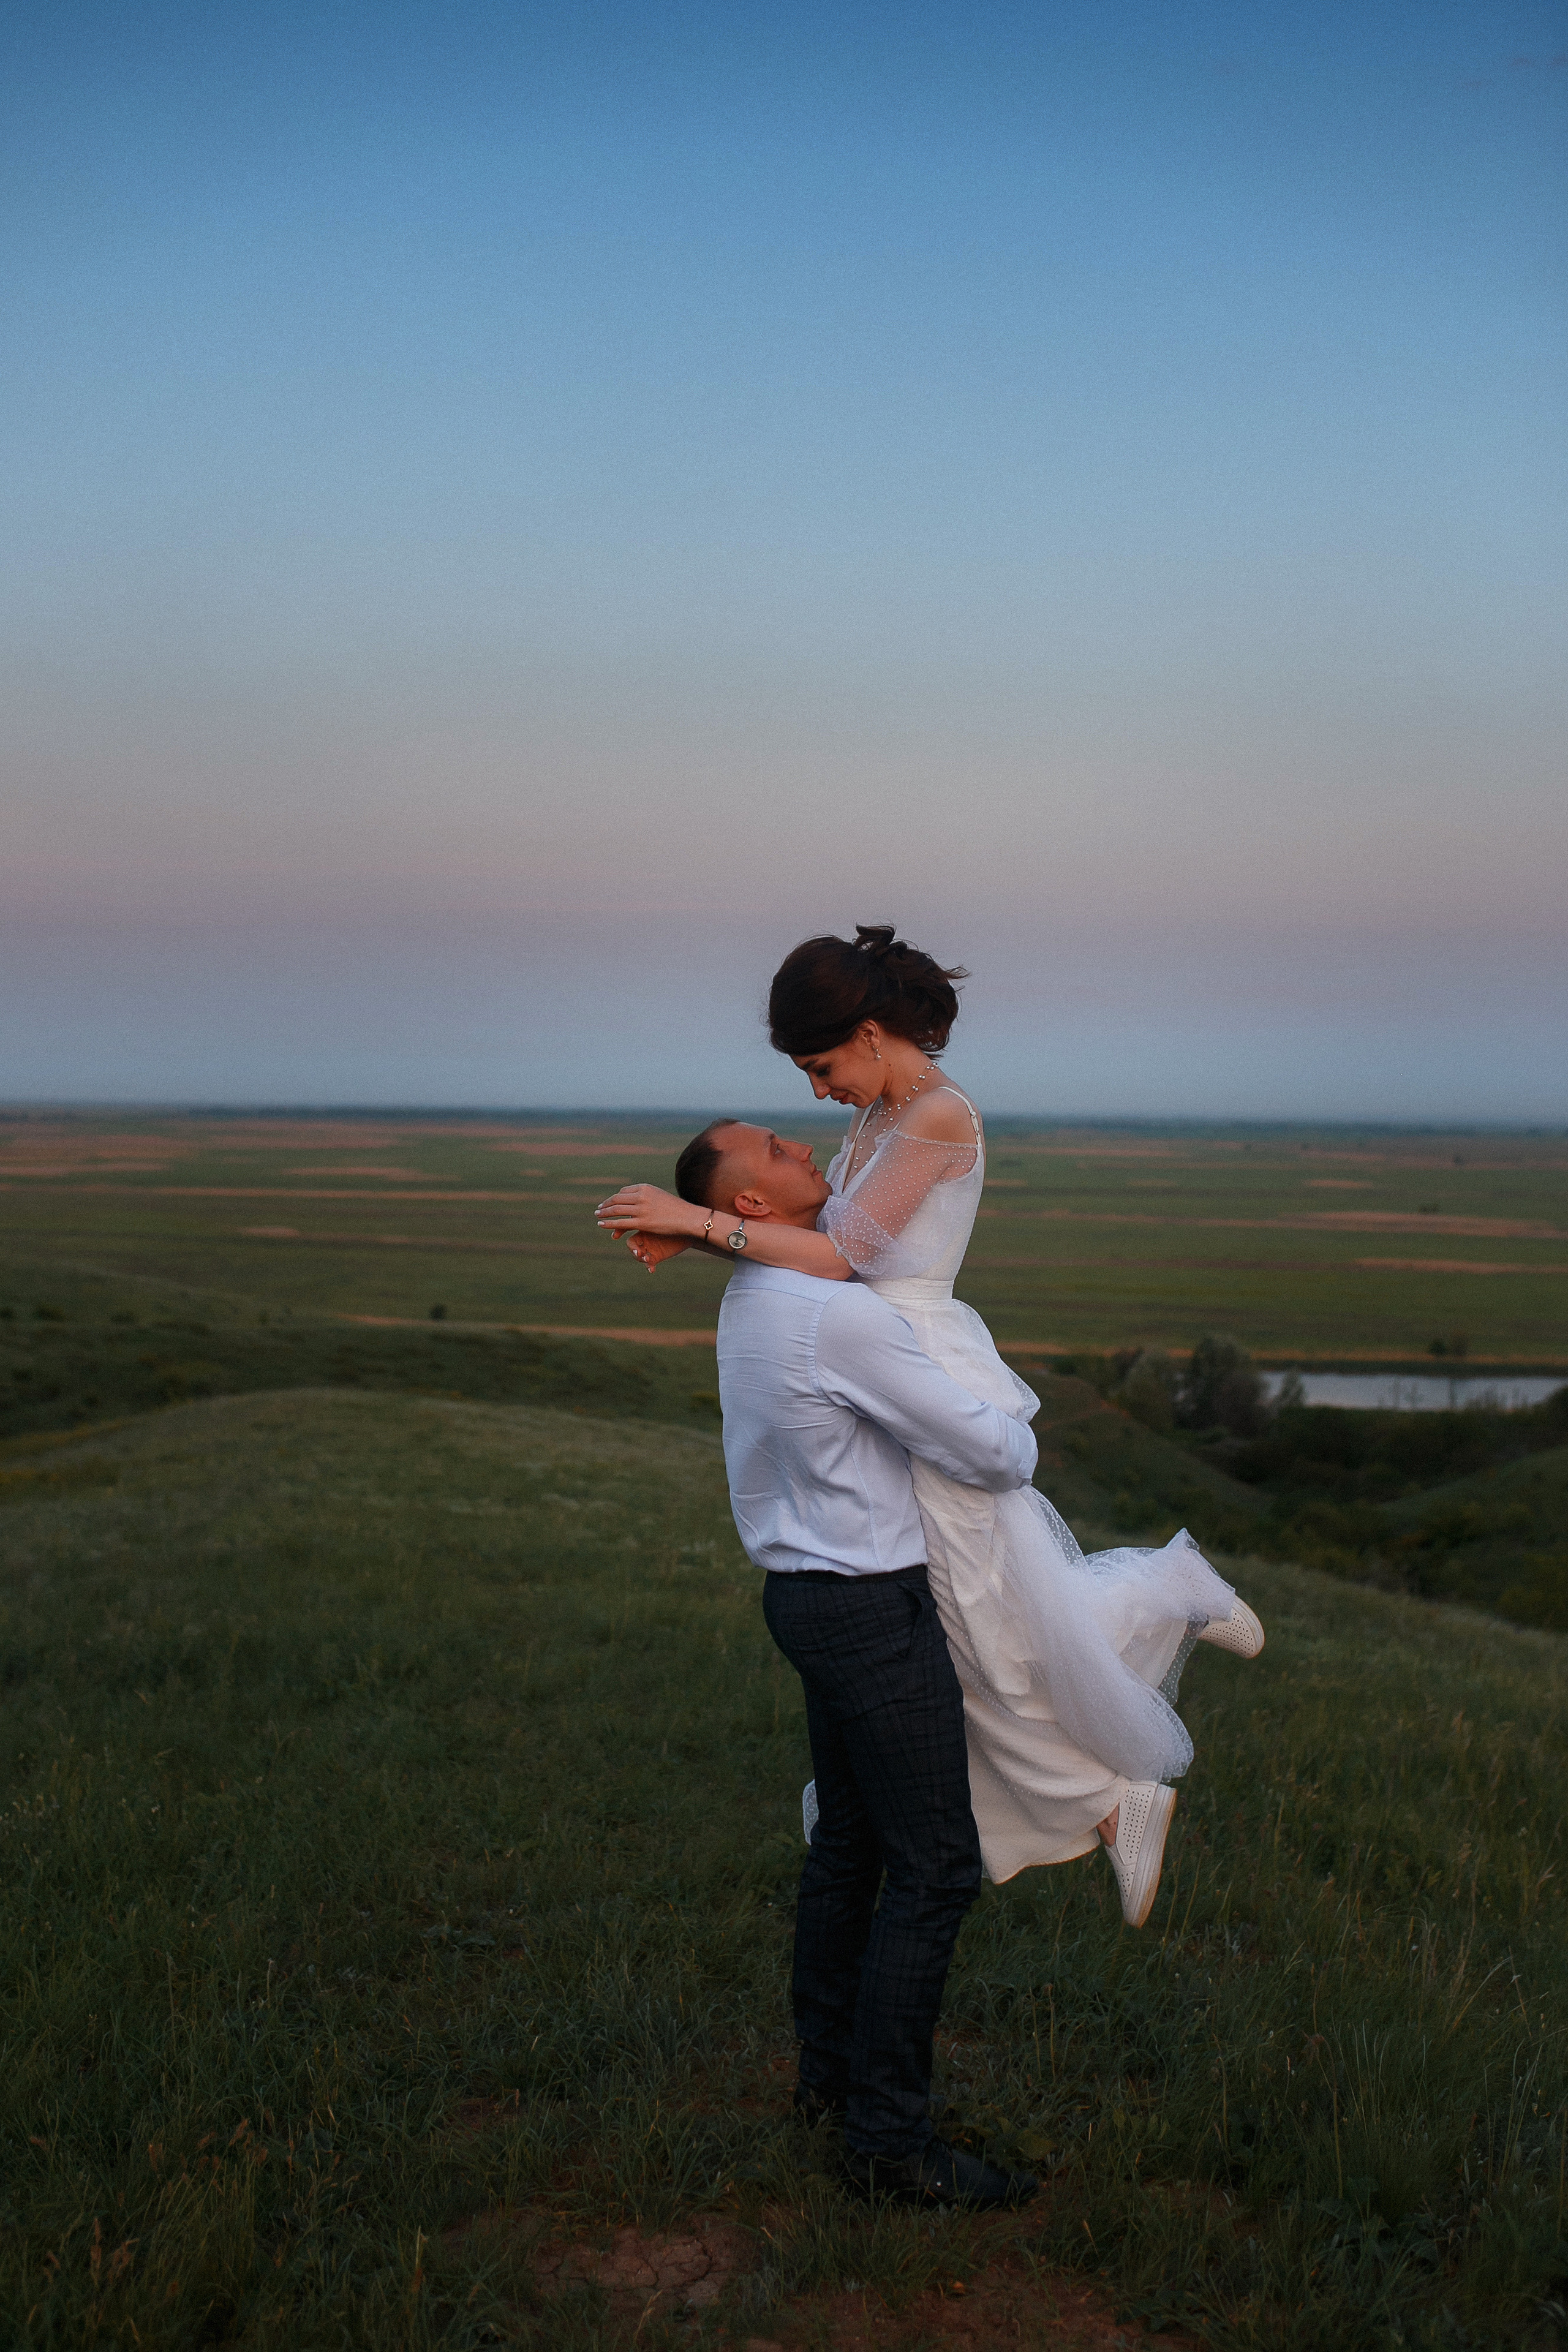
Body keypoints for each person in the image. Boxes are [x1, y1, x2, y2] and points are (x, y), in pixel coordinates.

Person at [595, 925, 1263, 1925]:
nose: (819, 1095)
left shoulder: (939, 1118)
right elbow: (815, 1237)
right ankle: (1136, 1700)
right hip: (873, 1371)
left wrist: (699, 1223)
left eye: (822, 1067)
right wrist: (708, 1232)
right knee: (978, 1625)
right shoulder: (878, 1119)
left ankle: (1129, 1743)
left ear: (868, 1035)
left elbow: (846, 1258)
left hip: (921, 1371)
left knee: (982, 1624)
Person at [691, 1132, 1044, 2207]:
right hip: (869, 1610)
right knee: (934, 1869)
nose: (804, 1145)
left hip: (805, 1596)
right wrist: (999, 1401)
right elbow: (998, 1456)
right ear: (754, 1196)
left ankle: (828, 2086)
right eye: (777, 1150)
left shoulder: (754, 1298)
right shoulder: (835, 1315)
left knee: (848, 1850)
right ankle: (889, 2145)